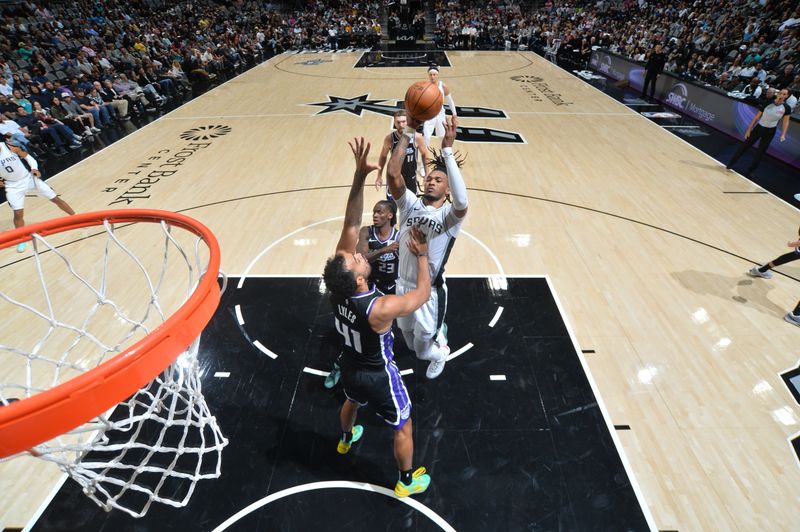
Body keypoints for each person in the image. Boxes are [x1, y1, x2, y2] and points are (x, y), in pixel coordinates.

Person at [322, 136, 432, 498]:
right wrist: (421, 256)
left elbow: (352, 221)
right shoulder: (378, 308)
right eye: (356, 259)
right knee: (403, 425)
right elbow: (421, 295)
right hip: (378, 372)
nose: (358, 254)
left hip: (350, 365)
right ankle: (406, 481)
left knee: (350, 401)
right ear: (358, 278)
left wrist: (358, 178)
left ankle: (345, 438)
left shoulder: (338, 285)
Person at [387, 115, 467, 379]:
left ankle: (441, 351)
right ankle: (434, 335)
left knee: (422, 351)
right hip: (402, 285)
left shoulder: (449, 217)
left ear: (447, 190)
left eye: (438, 180)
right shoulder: (410, 204)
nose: (431, 181)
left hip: (428, 292)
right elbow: (393, 174)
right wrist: (409, 130)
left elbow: (462, 201)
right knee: (408, 339)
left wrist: (447, 150)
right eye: (429, 178)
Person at [326, 199, 400, 390]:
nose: (375, 215)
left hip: (391, 287)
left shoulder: (400, 236)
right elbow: (362, 256)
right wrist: (385, 250)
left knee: (383, 333)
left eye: (379, 212)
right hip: (368, 286)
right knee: (355, 331)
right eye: (374, 212)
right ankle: (339, 365)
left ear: (390, 215)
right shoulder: (367, 232)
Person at [0, 135, 75, 252]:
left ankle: (75, 218)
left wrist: (34, 168)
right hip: (12, 186)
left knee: (55, 199)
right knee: (18, 213)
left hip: (29, 179)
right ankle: (22, 239)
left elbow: (29, 158)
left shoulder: (8, 147)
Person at [726, 88, 792, 177]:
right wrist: (749, 129)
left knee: (760, 152)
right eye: (781, 93)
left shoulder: (786, 108)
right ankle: (730, 164)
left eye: (784, 94)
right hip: (759, 128)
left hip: (770, 131)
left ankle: (750, 171)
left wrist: (783, 134)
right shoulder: (768, 103)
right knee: (745, 146)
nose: (782, 95)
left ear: (787, 96)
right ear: (777, 94)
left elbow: (786, 121)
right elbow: (757, 117)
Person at [376, 110, 430, 196]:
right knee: (391, 207)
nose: (401, 125)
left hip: (410, 178)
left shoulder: (417, 137)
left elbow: (425, 154)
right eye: (398, 122)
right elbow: (383, 156)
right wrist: (379, 176)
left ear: (408, 121)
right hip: (394, 178)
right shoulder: (390, 139)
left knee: (411, 208)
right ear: (394, 123)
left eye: (403, 122)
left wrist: (427, 174)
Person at [422, 66, 457, 147]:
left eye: (434, 74)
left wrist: (454, 114)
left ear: (437, 75)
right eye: (430, 75)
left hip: (440, 114)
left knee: (442, 137)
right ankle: (425, 158)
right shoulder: (425, 86)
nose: (432, 77)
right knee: (426, 137)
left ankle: (443, 156)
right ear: (428, 75)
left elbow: (450, 101)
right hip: (429, 115)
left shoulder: (443, 86)